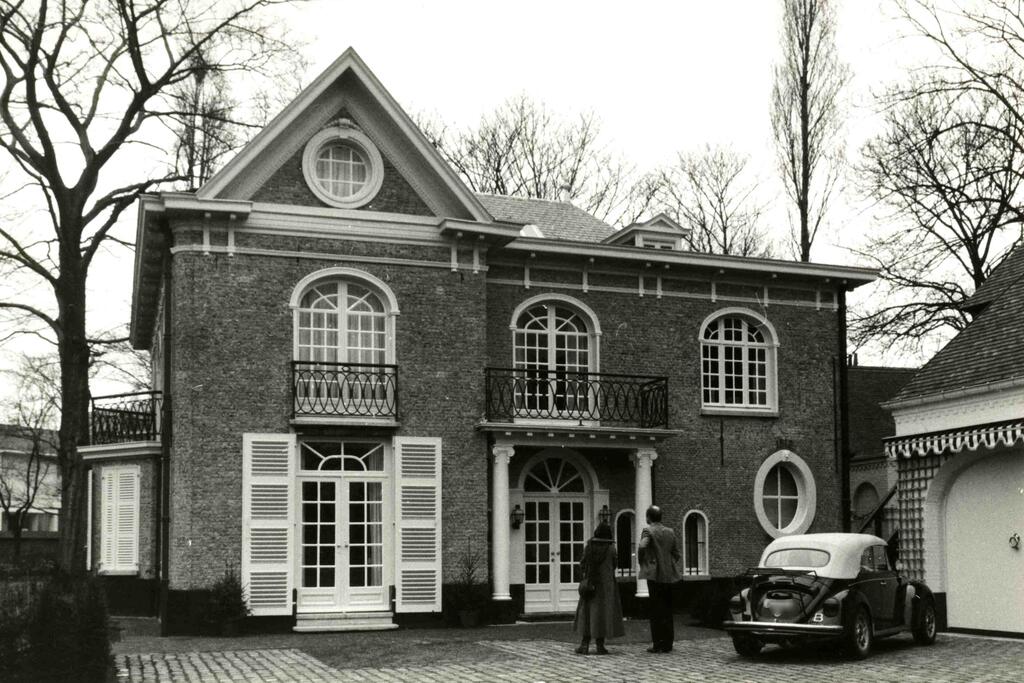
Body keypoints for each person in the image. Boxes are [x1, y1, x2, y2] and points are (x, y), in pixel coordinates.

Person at [572, 521, 624, 655]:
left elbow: (582, 564)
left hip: (591, 584)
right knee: (603, 614)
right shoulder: (611, 549)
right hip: (606, 586)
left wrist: (586, 575)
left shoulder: (589, 547)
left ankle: (584, 644)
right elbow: (614, 564)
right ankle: (600, 645)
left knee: (587, 613)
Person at [637, 504, 681, 653]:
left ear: (648, 517)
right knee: (667, 609)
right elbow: (676, 553)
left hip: (654, 574)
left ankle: (658, 644)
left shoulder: (648, 531)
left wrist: (643, 562)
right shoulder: (670, 531)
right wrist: (669, 563)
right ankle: (668, 643)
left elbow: (642, 546)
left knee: (655, 609)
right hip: (668, 575)